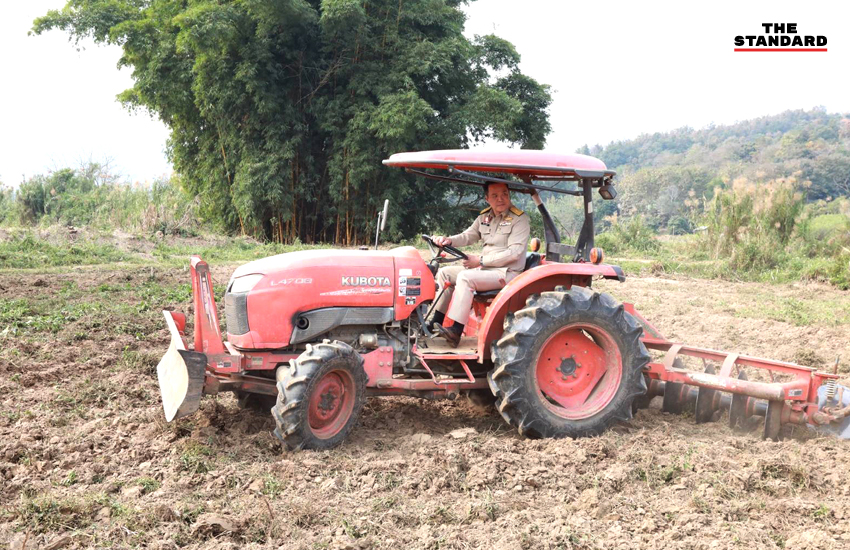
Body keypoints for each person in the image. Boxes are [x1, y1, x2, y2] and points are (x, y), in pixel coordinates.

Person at [430, 182, 531, 347]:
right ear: (487, 199)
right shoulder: (485, 218)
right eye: (495, 196)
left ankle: (455, 330)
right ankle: (435, 322)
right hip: (486, 270)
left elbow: (515, 253)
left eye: (504, 194)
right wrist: (449, 240)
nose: (501, 199)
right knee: (445, 273)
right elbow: (468, 235)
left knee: (465, 277)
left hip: (507, 273)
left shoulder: (520, 219)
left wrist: (480, 261)